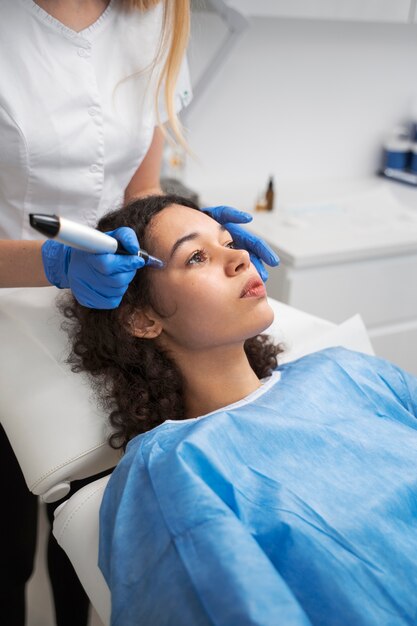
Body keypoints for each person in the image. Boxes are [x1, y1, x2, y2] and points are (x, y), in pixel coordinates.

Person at [0, 1, 279, 624]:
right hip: (8, 305)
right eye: (205, 257)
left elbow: (140, 194)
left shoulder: (155, 18)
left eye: (229, 250)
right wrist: (52, 263)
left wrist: (193, 232)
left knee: (84, 552)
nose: (236, 260)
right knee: (8, 548)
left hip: (107, 314)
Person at [61, 193, 417, 626]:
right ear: (142, 320)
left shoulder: (347, 370)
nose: (239, 257)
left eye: (228, 242)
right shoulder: (173, 467)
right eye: (196, 257)